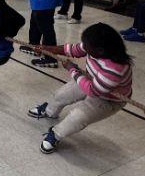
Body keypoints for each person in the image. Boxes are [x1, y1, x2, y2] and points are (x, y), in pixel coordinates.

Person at [27, 23, 132, 154]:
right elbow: (73, 49)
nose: (84, 47)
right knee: (61, 95)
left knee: (78, 117)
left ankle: (56, 134)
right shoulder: (95, 46)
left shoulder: (115, 68)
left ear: (100, 50)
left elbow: (93, 90)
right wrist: (47, 48)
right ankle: (50, 111)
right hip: (90, 81)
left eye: (86, 46)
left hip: (108, 99)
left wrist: (72, 70)